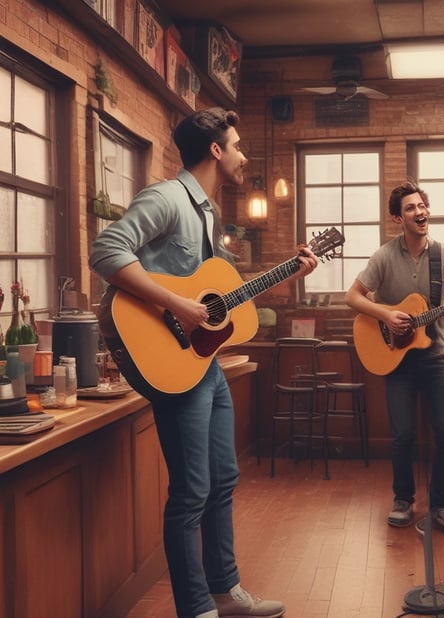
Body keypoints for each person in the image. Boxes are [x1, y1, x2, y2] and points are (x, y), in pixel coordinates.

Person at [90, 107, 318, 618]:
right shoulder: (167, 198)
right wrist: (177, 306)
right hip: (171, 363)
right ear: (215, 150)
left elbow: (215, 292)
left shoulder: (209, 214)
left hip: (202, 363)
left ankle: (225, 591)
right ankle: (196, 609)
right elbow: (106, 250)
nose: (242, 154)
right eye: (236, 145)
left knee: (224, 478)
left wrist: (288, 269)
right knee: (192, 489)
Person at [345, 180, 444, 534]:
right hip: (397, 359)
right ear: (397, 218)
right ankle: (403, 500)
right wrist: (386, 315)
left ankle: (441, 506)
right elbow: (353, 297)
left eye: (422, 206)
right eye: (410, 208)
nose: (419, 212)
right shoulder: (384, 256)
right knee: (402, 435)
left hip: (438, 357)